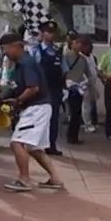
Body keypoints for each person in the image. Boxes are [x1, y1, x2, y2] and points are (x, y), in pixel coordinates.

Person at [0, 33, 64, 192]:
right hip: (40, 107)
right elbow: (16, 86)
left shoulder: (26, 62)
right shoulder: (21, 63)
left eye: (5, 49)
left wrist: (18, 101)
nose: (5, 53)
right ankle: (55, 178)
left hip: (36, 108)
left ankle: (24, 179)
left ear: (15, 46)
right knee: (34, 148)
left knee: (17, 142)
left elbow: (33, 88)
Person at [31, 21, 67, 156]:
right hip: (41, 90)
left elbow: (64, 71)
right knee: (40, 118)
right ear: (42, 33)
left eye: (52, 32)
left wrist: (64, 87)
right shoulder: (36, 50)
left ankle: (51, 145)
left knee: (54, 119)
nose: (50, 35)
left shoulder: (58, 51)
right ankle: (37, 145)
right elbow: (33, 71)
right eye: (47, 32)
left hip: (55, 90)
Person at [63, 36, 95, 146]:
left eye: (80, 43)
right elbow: (62, 72)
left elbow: (88, 73)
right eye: (77, 43)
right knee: (72, 112)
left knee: (77, 113)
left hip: (79, 88)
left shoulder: (82, 59)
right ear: (71, 44)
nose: (79, 45)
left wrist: (88, 85)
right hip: (68, 88)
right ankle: (70, 136)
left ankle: (74, 136)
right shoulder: (66, 57)